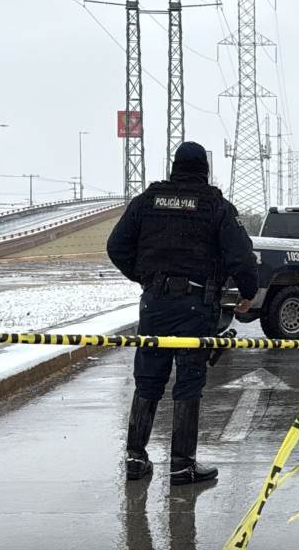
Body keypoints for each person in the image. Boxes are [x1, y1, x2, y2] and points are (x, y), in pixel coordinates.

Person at [107, 141, 258, 485]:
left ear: (174, 166)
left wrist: (147, 279)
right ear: (204, 168)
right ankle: (181, 465)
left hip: (154, 306)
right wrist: (248, 293)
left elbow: (116, 246)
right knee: (188, 383)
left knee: (148, 380)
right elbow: (241, 256)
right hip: (195, 306)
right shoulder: (214, 205)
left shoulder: (147, 201)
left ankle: (135, 458)